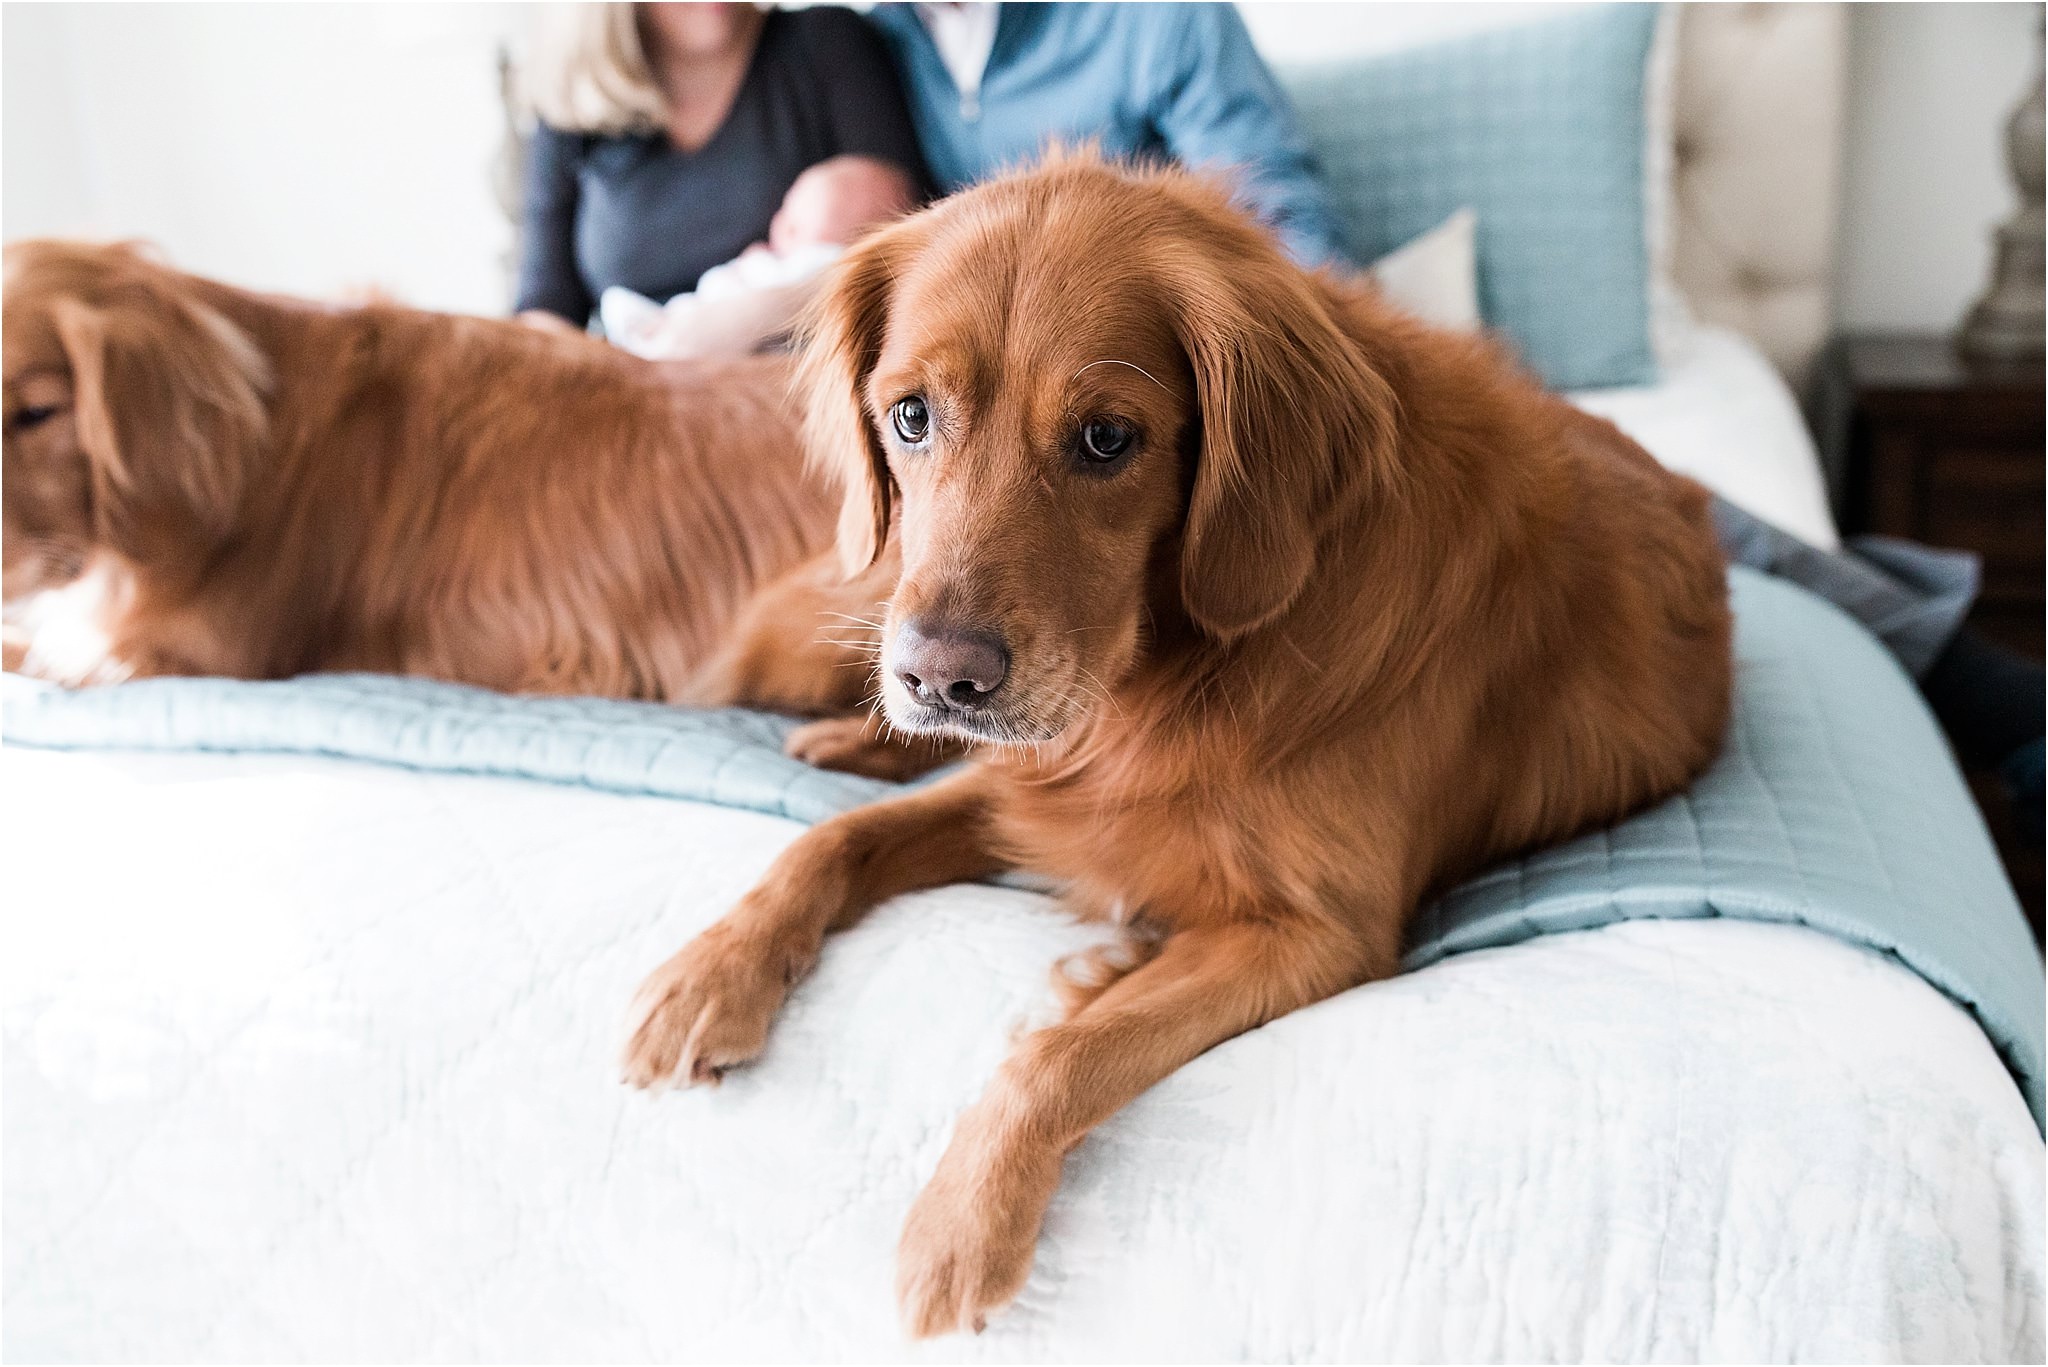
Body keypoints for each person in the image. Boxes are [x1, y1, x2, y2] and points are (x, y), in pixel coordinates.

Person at [866, 1, 2043, 834]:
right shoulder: (869, 52)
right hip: (1008, 419)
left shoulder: (1151, 16)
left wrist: (1343, 371)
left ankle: (1992, 693)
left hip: (1303, 338)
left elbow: (1271, 212)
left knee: (1618, 487)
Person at [514, 2, 929, 336]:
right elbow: (546, 311)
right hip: (633, 399)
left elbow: (910, 253)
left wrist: (739, 322)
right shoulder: (571, 105)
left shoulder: (828, 42)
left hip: (791, 392)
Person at [598, 154, 918, 360]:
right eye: (784, 211)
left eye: (794, 226)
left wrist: (752, 269)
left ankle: (637, 332)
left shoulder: (822, 265)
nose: (777, 225)